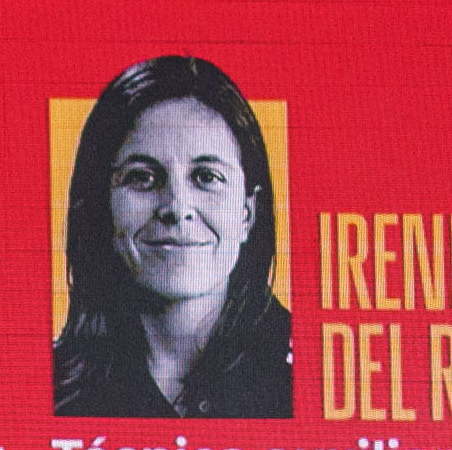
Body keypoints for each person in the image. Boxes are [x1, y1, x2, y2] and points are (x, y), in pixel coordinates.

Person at [46, 58, 295, 419]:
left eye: (207, 177)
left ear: (247, 213)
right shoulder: (53, 386)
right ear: (102, 207)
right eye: (142, 177)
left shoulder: (311, 372)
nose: (177, 208)